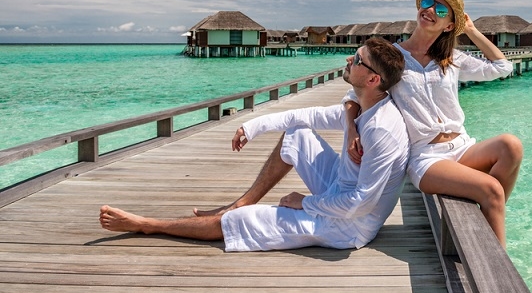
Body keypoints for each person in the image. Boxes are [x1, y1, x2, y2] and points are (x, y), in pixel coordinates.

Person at [99, 37, 408, 252]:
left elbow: (360, 205)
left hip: (348, 226)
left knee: (235, 222)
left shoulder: (381, 130)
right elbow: (311, 114)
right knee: (297, 133)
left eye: (357, 60)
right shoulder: (364, 103)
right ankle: (242, 201)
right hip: (339, 191)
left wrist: (305, 203)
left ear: (372, 80)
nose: (348, 59)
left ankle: (149, 225)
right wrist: (254, 125)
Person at [345, 0, 522, 247]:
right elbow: (352, 98)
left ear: (450, 26)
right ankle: (499, 267)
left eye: (441, 10)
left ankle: (486, 226)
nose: (430, 10)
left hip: (462, 147)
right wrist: (352, 130)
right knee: (492, 189)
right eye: (428, 3)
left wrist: (471, 30)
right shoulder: (393, 57)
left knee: (511, 145)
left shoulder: (451, 58)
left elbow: (502, 67)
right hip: (426, 157)